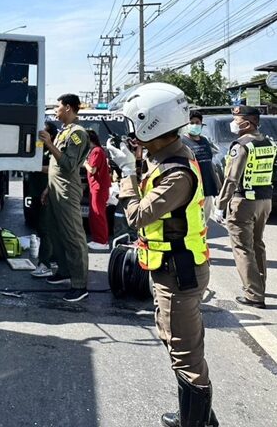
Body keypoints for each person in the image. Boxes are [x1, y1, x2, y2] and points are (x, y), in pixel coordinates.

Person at [107, 82, 217, 427]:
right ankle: (194, 416)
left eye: (134, 127)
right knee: (174, 341)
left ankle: (197, 423)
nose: (131, 135)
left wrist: (126, 174)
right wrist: (137, 164)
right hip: (169, 267)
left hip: (179, 270)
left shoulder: (177, 172)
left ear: (150, 124)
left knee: (186, 355)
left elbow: (138, 216)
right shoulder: (165, 157)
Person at [215, 106, 277, 310]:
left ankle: (253, 295)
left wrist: (220, 205)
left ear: (247, 123)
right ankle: (260, 287)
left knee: (243, 248)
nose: (233, 122)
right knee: (258, 244)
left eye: (236, 118)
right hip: (264, 201)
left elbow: (232, 178)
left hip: (243, 202)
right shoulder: (269, 142)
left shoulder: (242, 145)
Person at [38, 94, 90, 302]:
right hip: (55, 188)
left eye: (58, 107)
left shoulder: (77, 133)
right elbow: (55, 167)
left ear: (68, 108)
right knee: (54, 231)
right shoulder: (64, 131)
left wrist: (49, 144)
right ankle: (64, 271)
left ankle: (80, 284)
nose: (55, 111)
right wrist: (48, 189)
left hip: (67, 190)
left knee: (72, 235)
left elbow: (68, 165)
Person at [30, 117, 58, 278]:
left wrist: (35, 166)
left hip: (46, 193)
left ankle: (45, 264)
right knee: (42, 228)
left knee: (45, 229)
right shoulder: (38, 147)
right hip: (36, 191)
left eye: (43, 132)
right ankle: (52, 258)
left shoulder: (53, 149)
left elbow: (54, 169)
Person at [181, 110, 220, 222]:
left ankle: (203, 239)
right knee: (193, 220)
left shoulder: (205, 141)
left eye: (197, 122)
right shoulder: (182, 142)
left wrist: (217, 184)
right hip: (192, 189)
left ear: (201, 124)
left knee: (204, 220)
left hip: (207, 187)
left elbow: (210, 163)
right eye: (191, 122)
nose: (194, 125)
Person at [84, 129, 111, 251]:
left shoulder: (96, 151)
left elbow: (92, 170)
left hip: (98, 187)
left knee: (98, 214)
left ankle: (102, 241)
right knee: (94, 214)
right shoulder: (96, 151)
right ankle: (97, 239)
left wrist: (84, 163)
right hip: (96, 187)